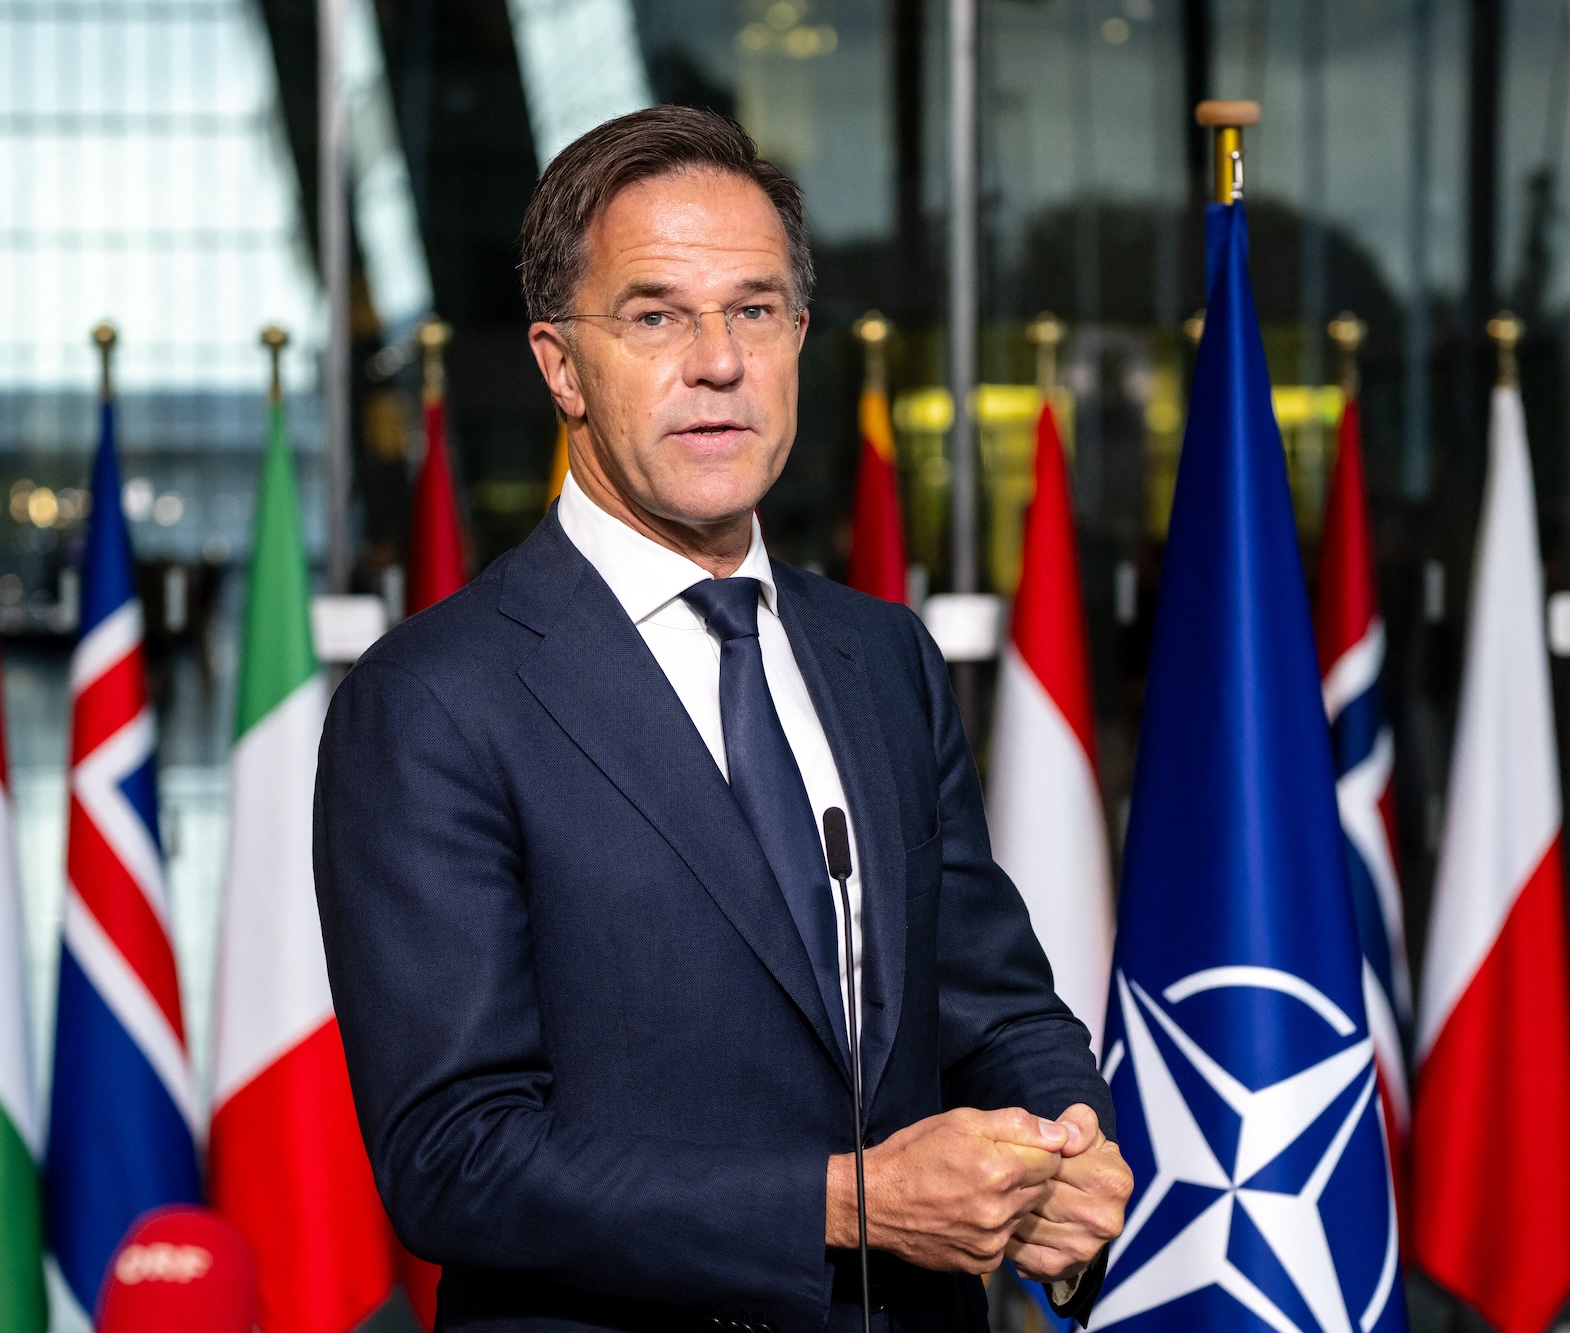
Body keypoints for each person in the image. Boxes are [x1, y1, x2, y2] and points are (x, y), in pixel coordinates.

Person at [314, 105, 1131, 1333]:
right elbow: (457, 1157)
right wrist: (846, 1203)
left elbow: (994, 1002)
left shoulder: (881, 654)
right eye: (655, 316)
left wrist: (1060, 1152)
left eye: (754, 310)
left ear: (799, 338)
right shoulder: (432, 699)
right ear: (558, 365)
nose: (718, 361)